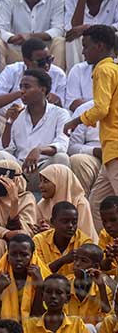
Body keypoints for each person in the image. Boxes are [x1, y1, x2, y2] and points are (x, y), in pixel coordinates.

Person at [64, 25, 118, 232]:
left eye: (86, 46)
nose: (83, 51)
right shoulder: (114, 69)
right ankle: (102, 250)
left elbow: (101, 108)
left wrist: (75, 121)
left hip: (114, 147)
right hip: (110, 151)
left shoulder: (103, 69)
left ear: (100, 45)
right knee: (96, 202)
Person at [0, 69, 71, 191]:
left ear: (42, 89)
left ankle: (58, 204)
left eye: (27, 87)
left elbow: (62, 144)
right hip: (19, 169)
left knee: (61, 157)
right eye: (21, 87)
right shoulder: (17, 114)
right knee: (0, 155)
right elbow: (5, 148)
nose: (22, 91)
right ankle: (0, 206)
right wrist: (9, 123)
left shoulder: (60, 114)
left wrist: (39, 150)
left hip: (44, 170)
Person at [0, 39, 68, 116]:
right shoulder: (13, 70)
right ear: (27, 61)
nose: (46, 65)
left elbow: (63, 111)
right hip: (10, 120)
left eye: (49, 59)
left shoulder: (58, 74)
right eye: (41, 62)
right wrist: (22, 93)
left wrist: (56, 100)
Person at [0, 160, 37, 273]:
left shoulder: (27, 198)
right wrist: (7, 234)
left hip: (22, 245)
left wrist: (14, 201)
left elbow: (27, 232)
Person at [64, 0, 118, 69]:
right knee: (71, 39)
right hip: (84, 41)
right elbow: (73, 29)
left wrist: (88, 27)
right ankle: (75, 73)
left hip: (109, 39)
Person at [0, 234, 49, 321]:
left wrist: (39, 286)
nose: (18, 259)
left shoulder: (43, 275)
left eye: (24, 255)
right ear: (7, 255)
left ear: (32, 255)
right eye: (13, 254)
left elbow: (40, 318)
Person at [37, 164, 98, 243]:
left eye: (46, 181)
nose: (40, 186)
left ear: (60, 181)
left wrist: (52, 234)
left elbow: (84, 236)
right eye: (40, 181)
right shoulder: (42, 204)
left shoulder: (80, 203)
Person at [32, 202, 93, 277]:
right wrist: (62, 260)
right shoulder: (39, 240)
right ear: (52, 222)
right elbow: (38, 273)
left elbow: (85, 276)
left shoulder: (84, 242)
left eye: (74, 222)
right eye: (65, 222)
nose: (70, 226)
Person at [22, 274, 90, 333]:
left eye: (59, 292)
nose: (53, 296)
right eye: (48, 292)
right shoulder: (29, 325)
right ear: (42, 296)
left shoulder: (76, 324)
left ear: (68, 298)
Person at [68, 243, 111, 326]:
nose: (77, 264)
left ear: (95, 266)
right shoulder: (65, 284)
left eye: (83, 261)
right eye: (76, 259)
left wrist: (101, 287)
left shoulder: (102, 290)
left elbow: (106, 320)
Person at [98, 196, 118, 273]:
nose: (108, 225)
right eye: (104, 221)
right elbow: (103, 266)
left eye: (113, 220)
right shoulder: (104, 235)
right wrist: (109, 258)